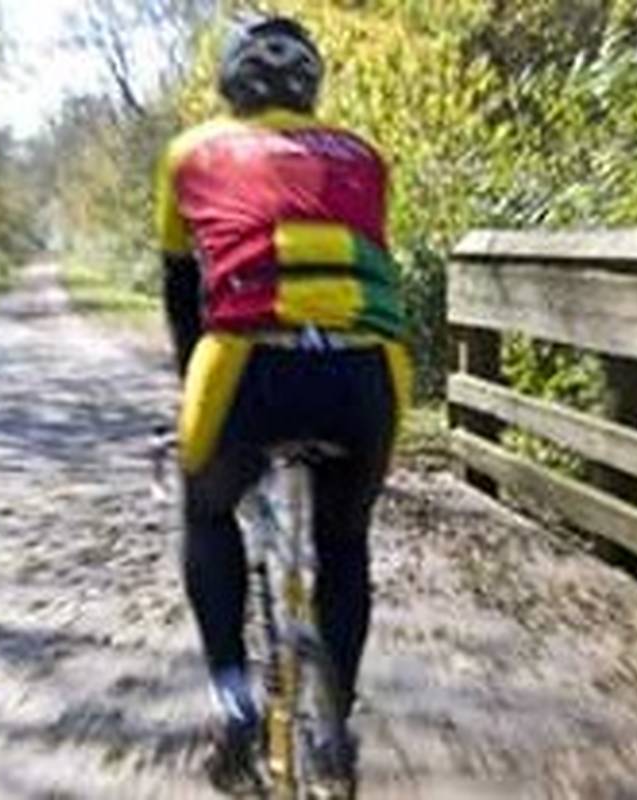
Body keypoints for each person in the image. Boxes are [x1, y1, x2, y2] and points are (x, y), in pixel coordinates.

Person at [153, 12, 413, 795]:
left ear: (232, 83)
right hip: (369, 374)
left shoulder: (189, 153)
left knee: (206, 509)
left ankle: (234, 701)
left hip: (249, 370)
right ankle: (333, 723)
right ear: (311, 87)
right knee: (344, 539)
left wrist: (191, 389)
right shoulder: (368, 154)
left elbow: (183, 292)